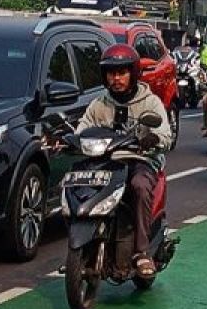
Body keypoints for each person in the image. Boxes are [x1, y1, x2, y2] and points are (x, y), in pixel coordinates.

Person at [74, 44, 174, 278]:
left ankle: (142, 252)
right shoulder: (100, 104)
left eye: (121, 73)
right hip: (108, 161)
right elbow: (83, 128)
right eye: (111, 73)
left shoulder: (150, 102)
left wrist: (153, 139)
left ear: (134, 73)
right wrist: (71, 140)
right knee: (79, 181)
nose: (116, 78)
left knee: (139, 185)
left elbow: (166, 136)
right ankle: (85, 245)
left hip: (141, 160)